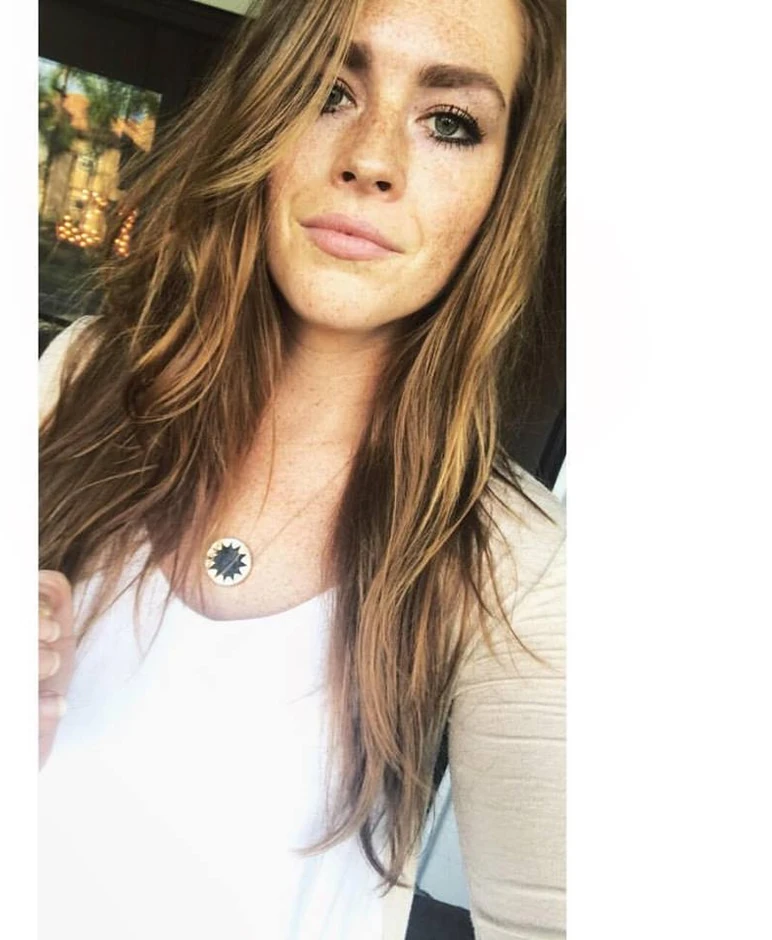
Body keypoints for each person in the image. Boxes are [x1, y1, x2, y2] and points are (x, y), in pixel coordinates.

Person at [38, 0, 565, 937]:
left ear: (503, 191)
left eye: (450, 122)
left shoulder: (520, 569)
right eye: (329, 90)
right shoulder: (75, 376)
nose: (371, 159)